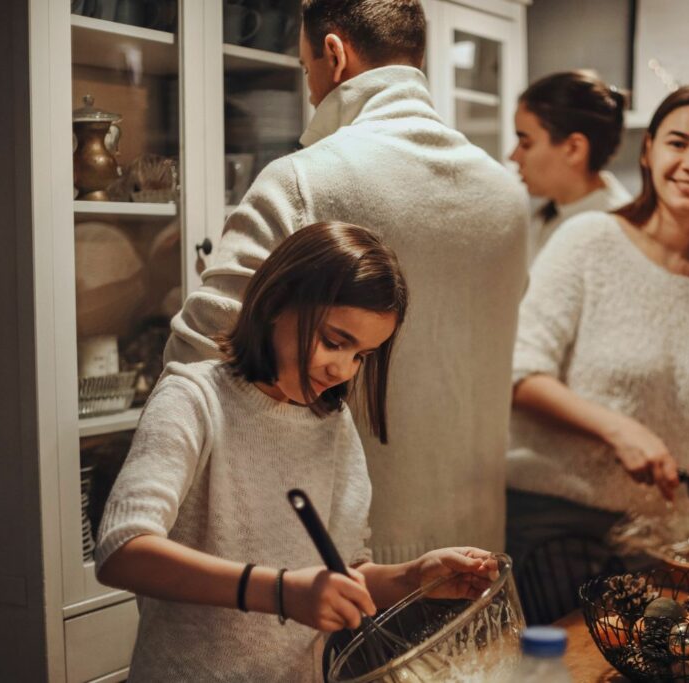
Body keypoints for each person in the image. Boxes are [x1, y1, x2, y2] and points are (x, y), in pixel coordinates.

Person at [164, 0, 527, 563]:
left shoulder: (304, 180)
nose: (310, 88)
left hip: (340, 560)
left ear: (334, 55)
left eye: (306, 67)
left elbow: (194, 358)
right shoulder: (508, 197)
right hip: (478, 550)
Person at [96, 222, 499, 682]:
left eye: (361, 356)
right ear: (275, 303)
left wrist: (413, 578)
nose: (343, 370)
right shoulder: (193, 398)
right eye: (334, 341)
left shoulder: (331, 424)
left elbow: (340, 573)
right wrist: (281, 592)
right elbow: (121, 550)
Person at [505, 84, 689, 569]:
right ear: (648, 152)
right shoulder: (588, 241)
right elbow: (518, 373)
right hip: (555, 528)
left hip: (664, 540)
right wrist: (617, 430)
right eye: (678, 142)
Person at [509, 70, 632, 263]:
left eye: (526, 144)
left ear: (574, 148)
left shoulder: (617, 233)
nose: (513, 157)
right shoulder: (546, 216)